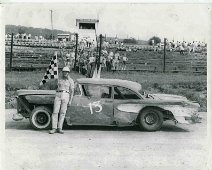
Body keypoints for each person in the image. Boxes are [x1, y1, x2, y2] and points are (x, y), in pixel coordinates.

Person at [49, 67, 75, 134]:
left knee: (63, 112)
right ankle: (54, 128)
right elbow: (54, 87)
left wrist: (70, 101)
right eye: (64, 72)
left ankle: (60, 128)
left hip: (66, 95)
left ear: (68, 73)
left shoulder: (71, 81)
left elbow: (72, 91)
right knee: (55, 111)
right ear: (62, 72)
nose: (65, 73)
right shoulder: (59, 79)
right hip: (58, 94)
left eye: (67, 72)